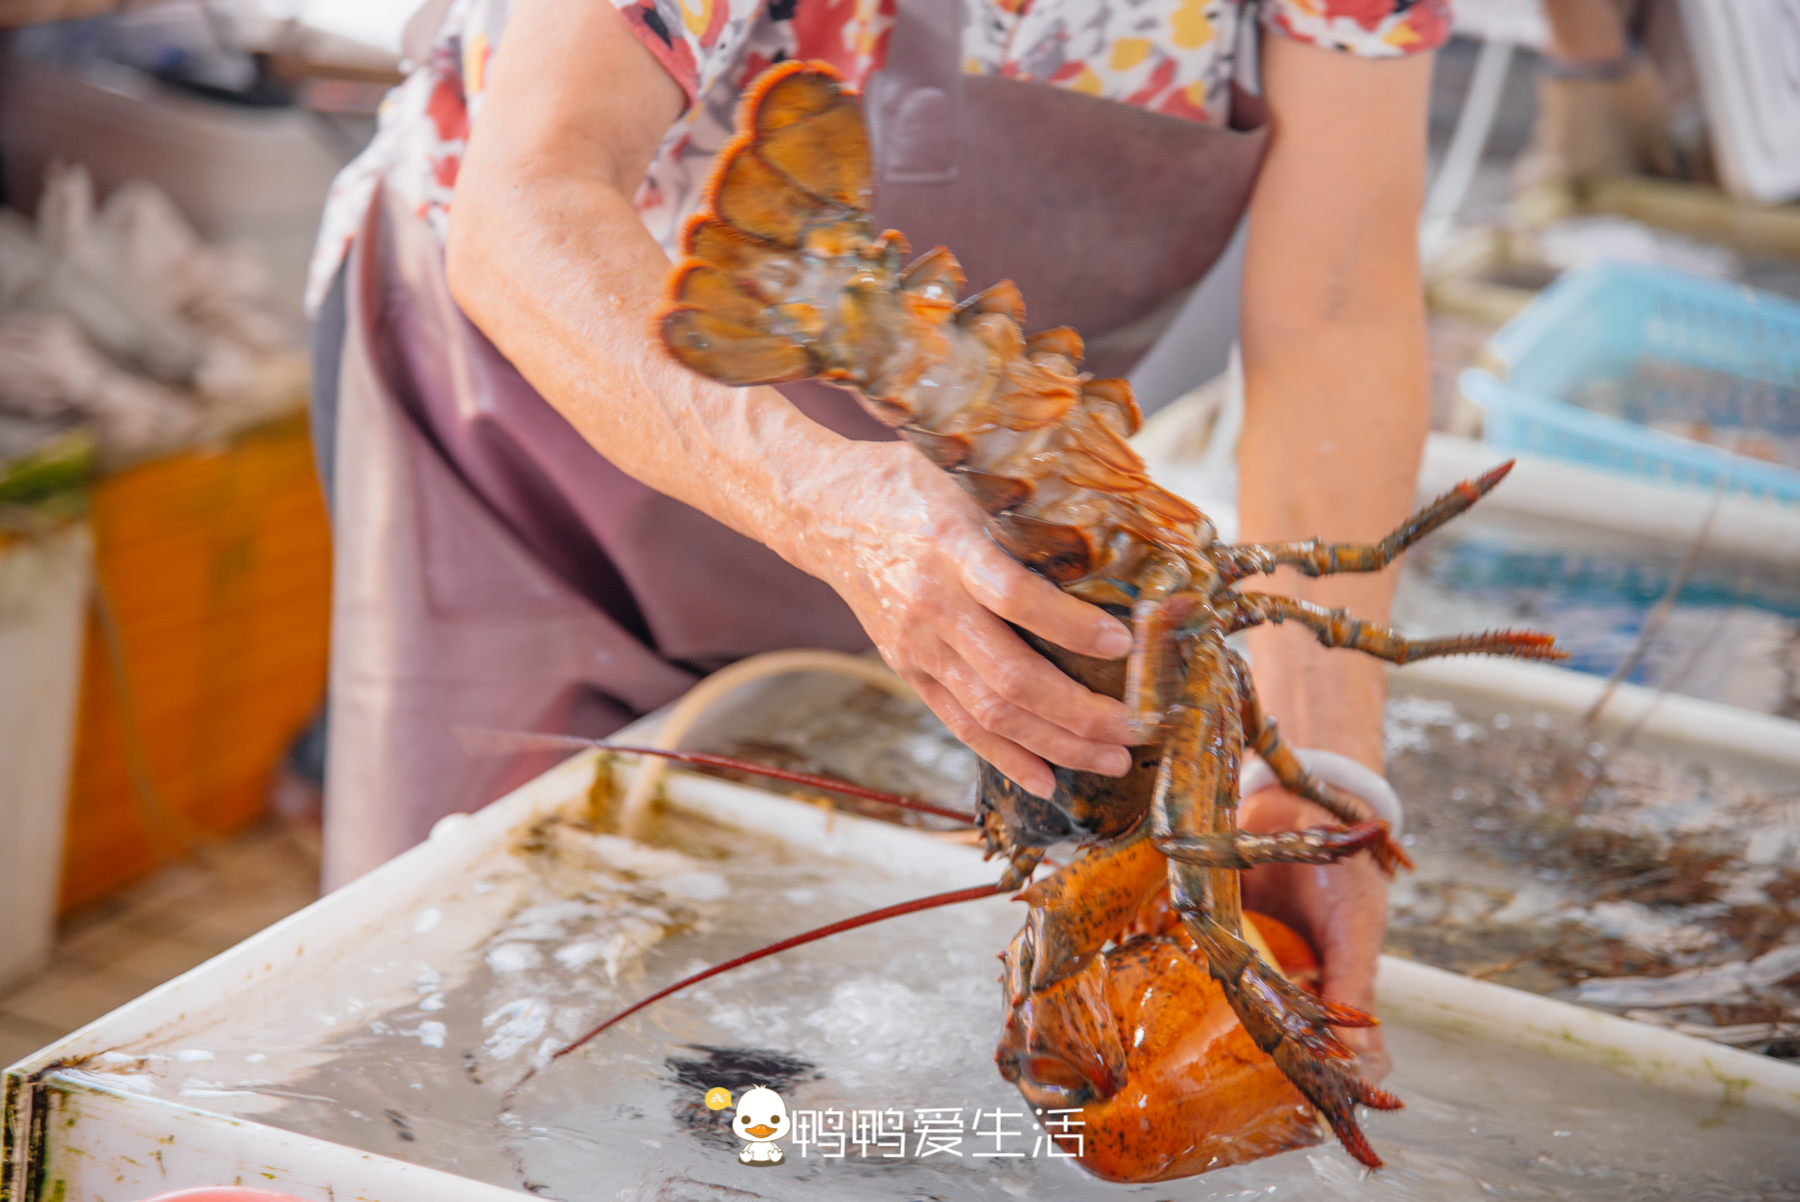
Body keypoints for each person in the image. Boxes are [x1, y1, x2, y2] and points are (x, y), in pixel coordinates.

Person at [308, 0, 1447, 1085]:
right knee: (476, 980)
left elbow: (1337, 305)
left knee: (762, 1034)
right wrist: (823, 501)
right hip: (532, 443)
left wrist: (1314, 777)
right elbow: (531, 199)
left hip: (952, 486)